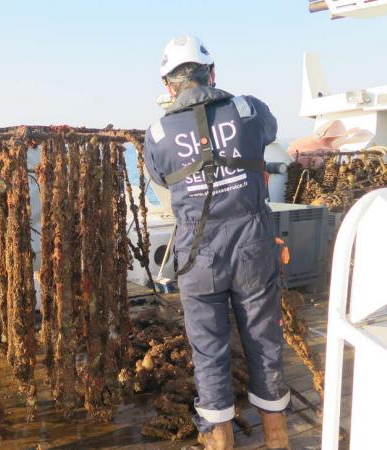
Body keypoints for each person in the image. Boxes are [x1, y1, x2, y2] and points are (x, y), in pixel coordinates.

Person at [144, 35, 291, 450]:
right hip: (252, 250)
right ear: (211, 72)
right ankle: (278, 440)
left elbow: (159, 178)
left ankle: (219, 442)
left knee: (208, 352)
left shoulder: (156, 132)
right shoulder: (248, 108)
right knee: (264, 342)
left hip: (197, 257)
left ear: (168, 86)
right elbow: (269, 132)